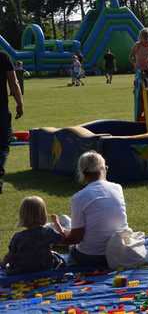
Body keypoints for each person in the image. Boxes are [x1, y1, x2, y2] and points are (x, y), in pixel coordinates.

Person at [52, 151, 128, 268]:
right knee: (70, 226)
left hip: (94, 257)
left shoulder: (79, 197)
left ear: (82, 173)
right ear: (103, 169)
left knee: (70, 245)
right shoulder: (117, 188)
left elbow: (76, 238)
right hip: (121, 251)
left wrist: (55, 239)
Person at [2, 196, 64, 275]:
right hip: (44, 268)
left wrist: (3, 265)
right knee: (57, 258)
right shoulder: (48, 232)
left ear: (23, 215)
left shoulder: (18, 237)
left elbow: (10, 255)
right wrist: (57, 223)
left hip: (21, 270)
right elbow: (63, 238)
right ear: (43, 214)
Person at [0, 51, 23, 193]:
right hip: (1, 109)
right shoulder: (3, 57)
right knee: (2, 146)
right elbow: (13, 82)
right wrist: (20, 103)